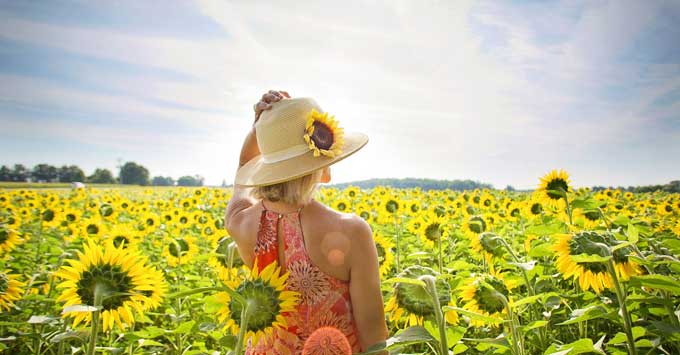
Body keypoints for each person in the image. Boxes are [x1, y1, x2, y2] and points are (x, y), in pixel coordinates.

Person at [225, 90, 388, 354]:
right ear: (321, 163)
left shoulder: (241, 222)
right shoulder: (351, 231)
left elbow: (244, 168)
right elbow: (375, 339)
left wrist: (259, 130)